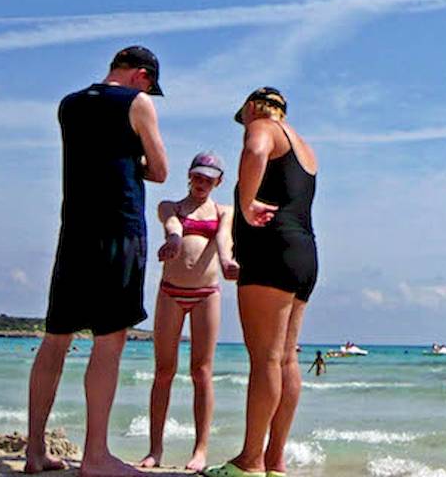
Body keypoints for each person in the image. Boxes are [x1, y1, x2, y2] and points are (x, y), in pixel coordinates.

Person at [26, 46, 168, 476]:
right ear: (141, 76)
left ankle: (34, 451)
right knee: (109, 341)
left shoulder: (68, 104)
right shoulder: (137, 103)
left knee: (56, 339)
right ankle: (96, 456)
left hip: (74, 231)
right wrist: (132, 161)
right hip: (118, 229)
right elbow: (160, 170)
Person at [206, 88, 318, 477]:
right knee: (286, 358)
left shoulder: (264, 128)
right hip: (304, 255)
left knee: (266, 359)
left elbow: (254, 150)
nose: (245, 129)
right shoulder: (304, 146)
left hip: (272, 254)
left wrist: (247, 201)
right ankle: (275, 460)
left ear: (253, 108)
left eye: (244, 119)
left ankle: (250, 460)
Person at [139, 152, 237, 472]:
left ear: (218, 182)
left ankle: (200, 450)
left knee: (202, 372)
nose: (202, 183)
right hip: (171, 293)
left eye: (209, 179)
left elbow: (223, 240)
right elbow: (172, 226)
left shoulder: (224, 211)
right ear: (189, 176)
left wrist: (226, 263)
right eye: (198, 177)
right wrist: (174, 240)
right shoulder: (171, 206)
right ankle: (155, 450)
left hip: (207, 294)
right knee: (164, 371)